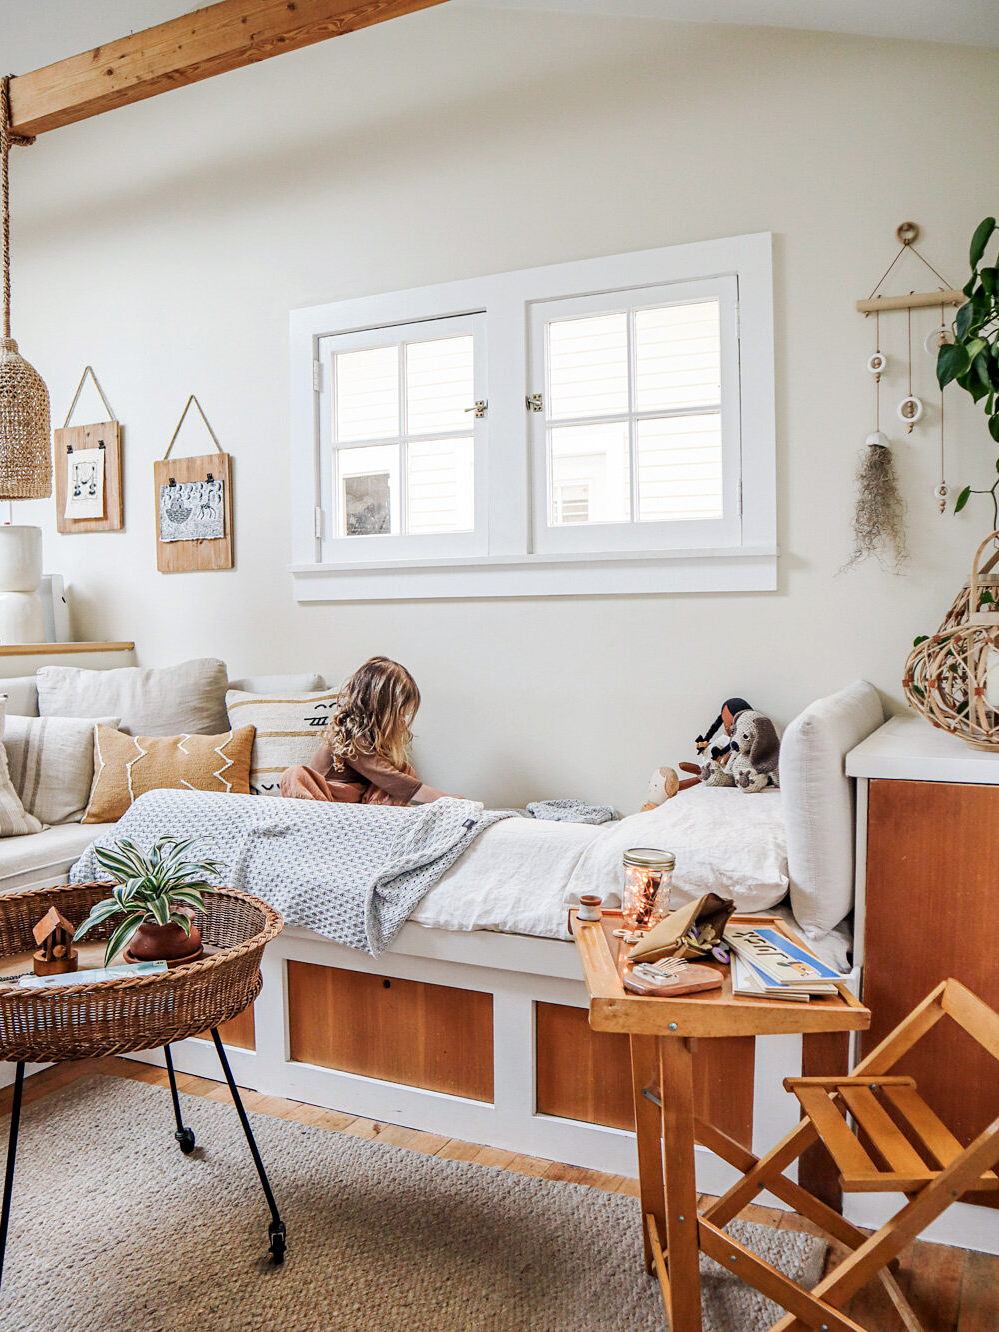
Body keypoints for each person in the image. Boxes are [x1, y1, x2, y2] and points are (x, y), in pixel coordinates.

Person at [280, 656, 452, 806]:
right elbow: (393, 780)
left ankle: (375, 818)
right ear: (380, 711)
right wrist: (447, 799)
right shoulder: (351, 737)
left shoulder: (372, 743)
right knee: (295, 774)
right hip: (327, 802)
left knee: (404, 770)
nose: (403, 723)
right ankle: (317, 817)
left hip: (361, 805)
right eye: (400, 716)